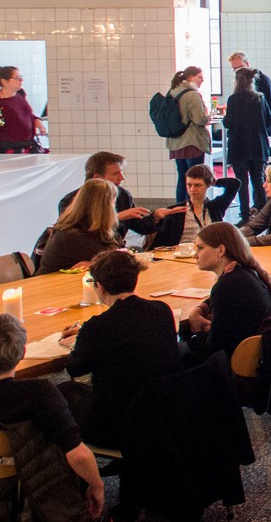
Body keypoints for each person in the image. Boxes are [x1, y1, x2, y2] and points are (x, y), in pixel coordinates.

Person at [58, 249, 180, 449]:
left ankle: (71, 472)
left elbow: (75, 368)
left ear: (99, 286)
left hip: (116, 426)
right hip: (162, 416)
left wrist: (79, 341)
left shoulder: (98, 326)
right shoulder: (161, 311)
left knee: (61, 394)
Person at [0, 314, 105, 519]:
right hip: (34, 490)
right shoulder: (39, 393)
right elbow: (78, 455)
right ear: (22, 352)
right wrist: (98, 485)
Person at [184, 221, 271, 362]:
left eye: (200, 248)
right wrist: (201, 308)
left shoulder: (227, 285)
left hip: (233, 369)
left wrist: (198, 332)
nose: (195, 255)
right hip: (259, 363)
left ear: (221, 250)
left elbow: (213, 348)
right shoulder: (247, 274)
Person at [57, 150, 176, 242]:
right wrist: (116, 217)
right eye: (115, 173)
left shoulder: (123, 195)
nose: (122, 177)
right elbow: (77, 234)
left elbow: (141, 227)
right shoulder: (70, 201)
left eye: (121, 172)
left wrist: (155, 216)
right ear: (97, 177)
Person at [37, 179, 122, 274]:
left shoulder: (87, 226)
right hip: (52, 285)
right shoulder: (72, 235)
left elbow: (114, 252)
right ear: (105, 208)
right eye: (113, 203)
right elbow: (115, 261)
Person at [223, 66, 271, 216]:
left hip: (239, 145)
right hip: (258, 144)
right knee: (258, 178)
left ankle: (244, 211)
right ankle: (264, 211)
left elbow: (228, 123)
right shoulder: (260, 98)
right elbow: (269, 121)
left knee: (241, 180)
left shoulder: (233, 100)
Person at [153, 163, 239, 248]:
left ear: (208, 185)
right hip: (182, 253)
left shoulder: (215, 207)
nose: (192, 189)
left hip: (209, 253)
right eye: (189, 185)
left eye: (198, 185)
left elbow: (235, 184)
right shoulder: (175, 210)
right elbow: (162, 242)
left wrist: (213, 182)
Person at [164, 66, 211, 204]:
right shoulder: (192, 94)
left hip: (176, 141)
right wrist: (207, 116)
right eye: (199, 77)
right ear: (190, 77)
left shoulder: (173, 91)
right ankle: (193, 207)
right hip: (192, 141)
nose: (202, 81)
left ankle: (180, 208)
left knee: (182, 177)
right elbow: (199, 119)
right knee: (195, 178)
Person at [0, 65, 47, 153]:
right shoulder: (1, 103)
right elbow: (1, 123)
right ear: (4, 81)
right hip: (9, 148)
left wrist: (36, 120)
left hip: (29, 145)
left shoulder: (20, 94)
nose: (21, 80)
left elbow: (26, 114)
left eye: (20, 77)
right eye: (17, 78)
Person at [227, 51, 271, 123]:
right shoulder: (238, 82)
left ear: (247, 64)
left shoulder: (262, 79)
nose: (238, 72)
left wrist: (266, 128)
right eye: (234, 69)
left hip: (260, 127)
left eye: (239, 67)